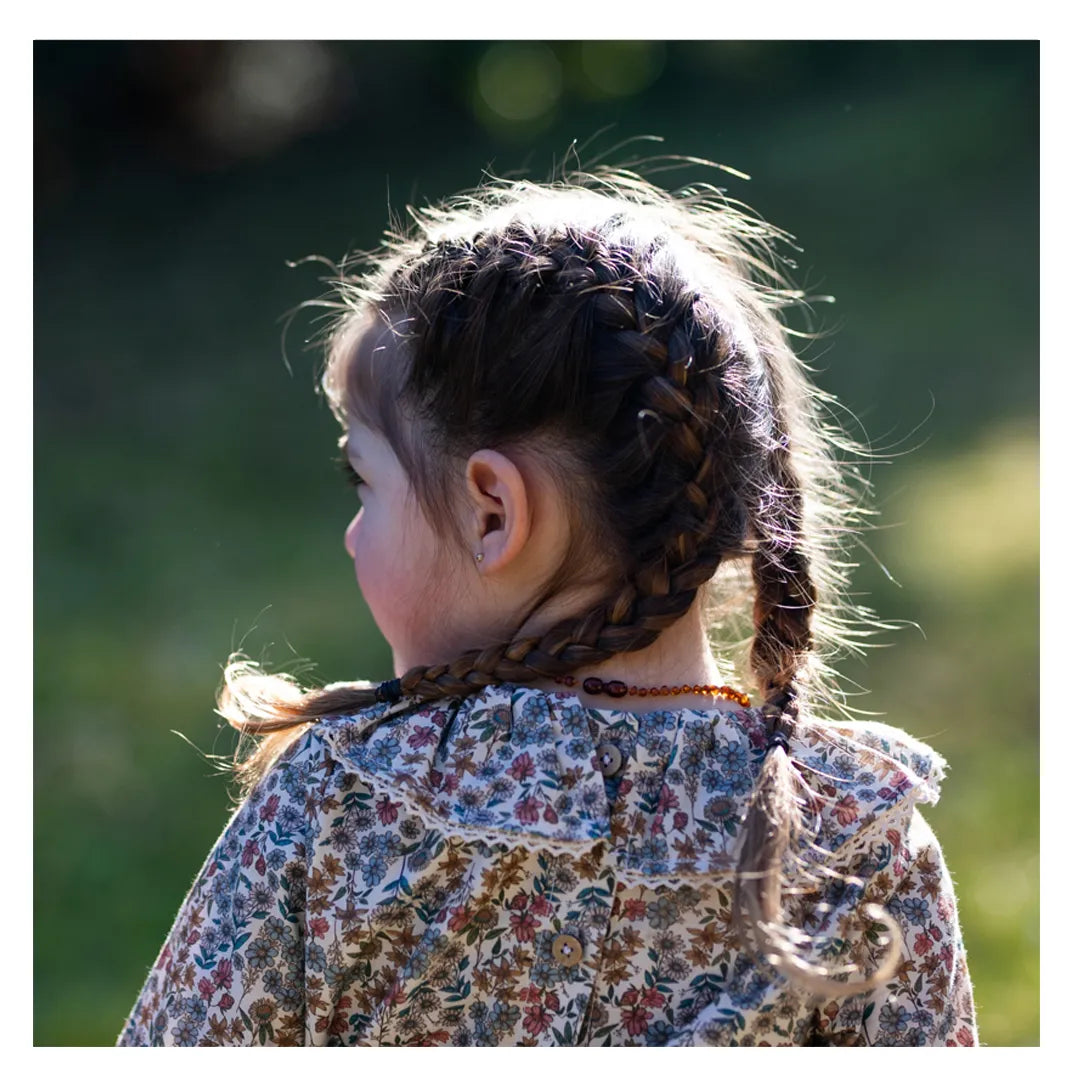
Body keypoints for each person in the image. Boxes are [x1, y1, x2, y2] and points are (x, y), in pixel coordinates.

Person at [117, 164, 978, 1047]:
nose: (349, 535)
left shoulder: (341, 808)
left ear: (494, 512)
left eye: (363, 483)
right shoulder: (855, 846)